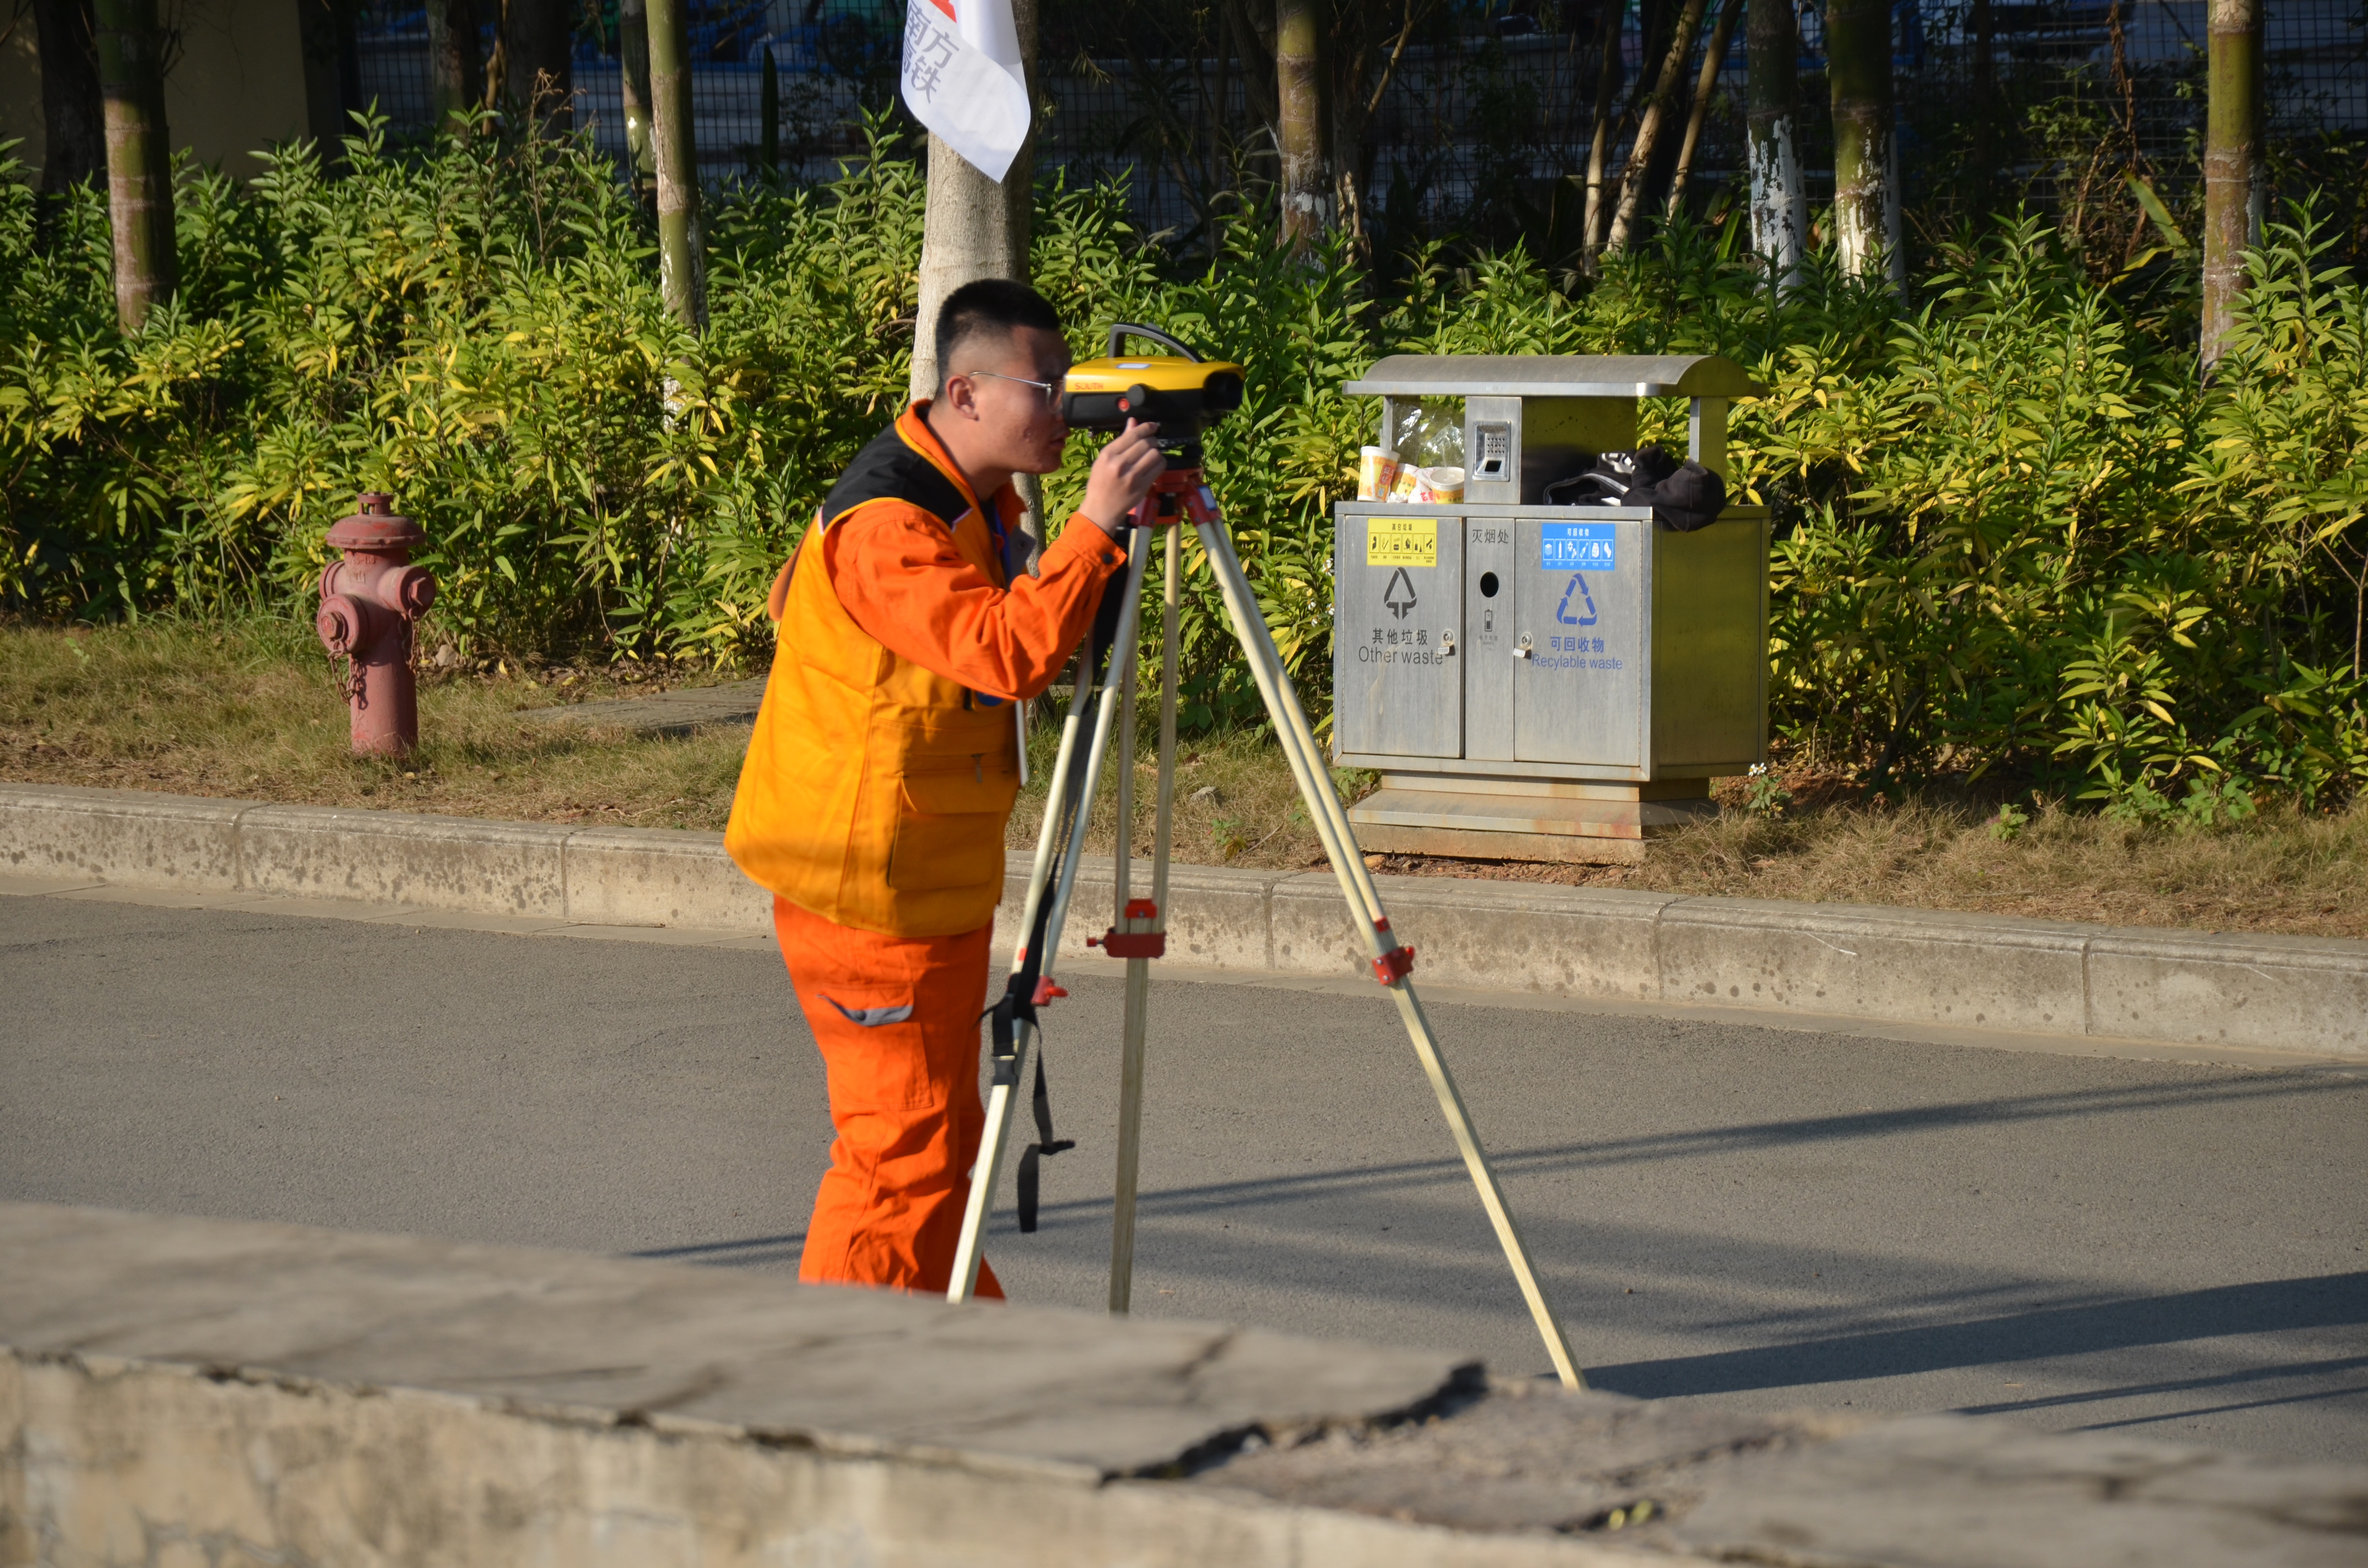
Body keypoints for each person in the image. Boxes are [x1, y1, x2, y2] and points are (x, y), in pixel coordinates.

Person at [726, 278, 1167, 1298]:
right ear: (964, 393)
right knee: (898, 1165)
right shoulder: (891, 524)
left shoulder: (972, 502)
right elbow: (1006, 654)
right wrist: (1096, 527)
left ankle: (949, 1372)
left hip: (926, 881)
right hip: (865, 892)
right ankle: (838, 1397)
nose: (1069, 409)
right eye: (1045, 388)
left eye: (1071, 385)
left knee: (940, 1153)